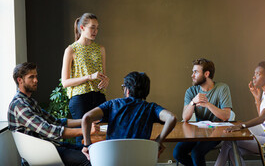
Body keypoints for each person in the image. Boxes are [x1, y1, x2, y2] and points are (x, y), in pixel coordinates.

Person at [8, 62, 99, 166]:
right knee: (91, 160)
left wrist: (86, 121)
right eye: (31, 77)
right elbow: (50, 130)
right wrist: (85, 130)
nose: (36, 80)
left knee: (94, 151)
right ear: (20, 80)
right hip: (42, 154)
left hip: (51, 146)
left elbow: (56, 122)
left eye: (36, 76)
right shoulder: (19, 106)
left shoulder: (29, 101)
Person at [81, 71, 177, 160]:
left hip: (113, 160)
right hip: (140, 160)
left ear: (127, 90)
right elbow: (172, 118)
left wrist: (86, 145)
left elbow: (86, 118)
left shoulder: (112, 104)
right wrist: (158, 141)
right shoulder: (151, 108)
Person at [214, 61, 265, 166]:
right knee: (233, 150)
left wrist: (241, 126)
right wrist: (257, 99)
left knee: (229, 141)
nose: (254, 77)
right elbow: (263, 118)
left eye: (258, 74)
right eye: (254, 74)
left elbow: (261, 119)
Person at [173, 58, 233, 166]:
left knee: (196, 153)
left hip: (216, 132)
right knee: (177, 153)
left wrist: (208, 104)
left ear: (206, 74)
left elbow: (226, 116)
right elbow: (185, 117)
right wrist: (193, 102)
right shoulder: (191, 91)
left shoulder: (222, 88)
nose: (192, 75)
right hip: (197, 132)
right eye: (193, 72)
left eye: (195, 72)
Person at [61, 12, 109, 144]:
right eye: (92, 27)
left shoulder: (100, 49)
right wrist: (89, 77)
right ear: (82, 28)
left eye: (97, 28)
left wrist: (106, 80)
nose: (95, 31)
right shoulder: (71, 50)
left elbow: (103, 75)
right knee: (82, 139)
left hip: (99, 97)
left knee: (102, 136)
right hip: (80, 99)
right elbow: (65, 82)